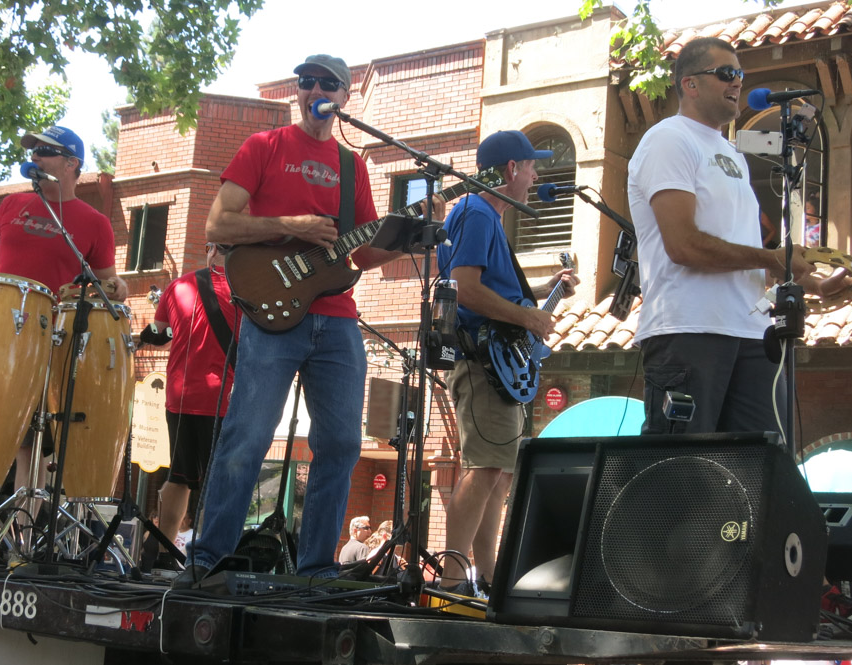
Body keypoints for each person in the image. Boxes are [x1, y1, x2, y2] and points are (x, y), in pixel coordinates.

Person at [628, 36, 852, 635]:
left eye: (740, 72)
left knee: (760, 480)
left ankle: (771, 602)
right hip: (688, 332)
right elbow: (684, 244)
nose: (736, 81)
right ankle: (659, 607)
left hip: (749, 334)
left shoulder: (727, 155)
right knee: (682, 475)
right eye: (725, 72)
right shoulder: (667, 141)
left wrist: (805, 290)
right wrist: (775, 260)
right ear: (689, 82)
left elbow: (745, 269)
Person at [172, 54, 401, 588]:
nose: (314, 87)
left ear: (344, 97)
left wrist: (406, 241)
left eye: (327, 82)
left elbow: (361, 254)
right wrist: (289, 224)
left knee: (343, 442)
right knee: (248, 435)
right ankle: (207, 560)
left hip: (337, 318)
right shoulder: (264, 147)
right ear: (298, 91)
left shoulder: (353, 166)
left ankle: (318, 567)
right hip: (272, 315)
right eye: (307, 81)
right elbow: (217, 223)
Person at [0, 125, 128, 560]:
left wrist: (118, 288)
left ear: (71, 164)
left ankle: (23, 540)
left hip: (49, 337)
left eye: (47, 152)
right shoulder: (13, 204)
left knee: (35, 440)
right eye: (35, 151)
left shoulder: (94, 223)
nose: (37, 158)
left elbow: (108, 283)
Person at [435, 130, 578, 593]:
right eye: (531, 166)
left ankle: (490, 579)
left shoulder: (483, 216)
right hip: (481, 365)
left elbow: (491, 288)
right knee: (485, 469)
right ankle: (453, 580)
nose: (537, 175)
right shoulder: (476, 212)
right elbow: (466, 289)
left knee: (496, 473)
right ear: (511, 169)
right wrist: (527, 316)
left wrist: (539, 298)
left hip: (492, 366)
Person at [149, 242, 237, 551]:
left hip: (179, 395)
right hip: (221, 399)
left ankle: (163, 552)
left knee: (178, 476)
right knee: (219, 481)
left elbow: (157, 331)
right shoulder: (247, 291)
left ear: (212, 250)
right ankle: (209, 556)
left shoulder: (178, 285)